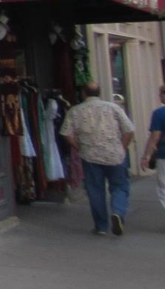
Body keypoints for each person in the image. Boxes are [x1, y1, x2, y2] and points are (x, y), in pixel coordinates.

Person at [60, 81, 135, 236]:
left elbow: (66, 133)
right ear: (99, 93)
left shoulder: (76, 111)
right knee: (119, 186)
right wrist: (122, 147)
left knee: (95, 190)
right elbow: (129, 129)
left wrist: (78, 146)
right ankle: (118, 212)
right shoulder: (113, 107)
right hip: (114, 153)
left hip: (90, 155)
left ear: (83, 94)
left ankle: (101, 226)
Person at [142, 84, 165, 212]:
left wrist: (147, 155)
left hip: (163, 155)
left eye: (160, 94)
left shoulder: (159, 114)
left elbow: (155, 137)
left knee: (164, 187)